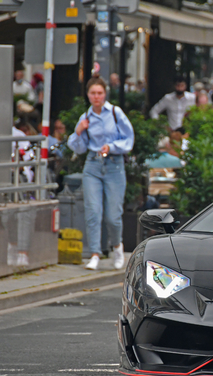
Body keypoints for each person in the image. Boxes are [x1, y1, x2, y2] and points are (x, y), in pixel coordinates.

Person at [67, 76, 134, 270]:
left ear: (105, 94)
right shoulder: (86, 117)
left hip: (114, 165)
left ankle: (117, 246)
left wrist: (111, 146)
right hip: (92, 165)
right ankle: (95, 253)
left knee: (113, 215)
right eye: (93, 93)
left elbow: (128, 139)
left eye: (100, 93)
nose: (96, 97)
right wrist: (77, 132)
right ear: (88, 95)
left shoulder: (115, 113)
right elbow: (78, 148)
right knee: (93, 212)